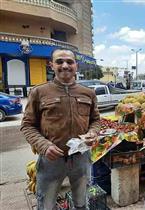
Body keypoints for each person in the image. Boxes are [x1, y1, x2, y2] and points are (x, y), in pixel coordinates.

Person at [21, 48, 100, 210]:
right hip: (51, 160)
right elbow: (27, 125)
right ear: (51, 65)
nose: (65, 65)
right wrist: (44, 146)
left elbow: (95, 120)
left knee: (81, 203)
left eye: (69, 62)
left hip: (81, 158)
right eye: (59, 61)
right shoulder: (39, 92)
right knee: (46, 204)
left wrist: (93, 132)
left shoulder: (88, 93)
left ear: (76, 66)